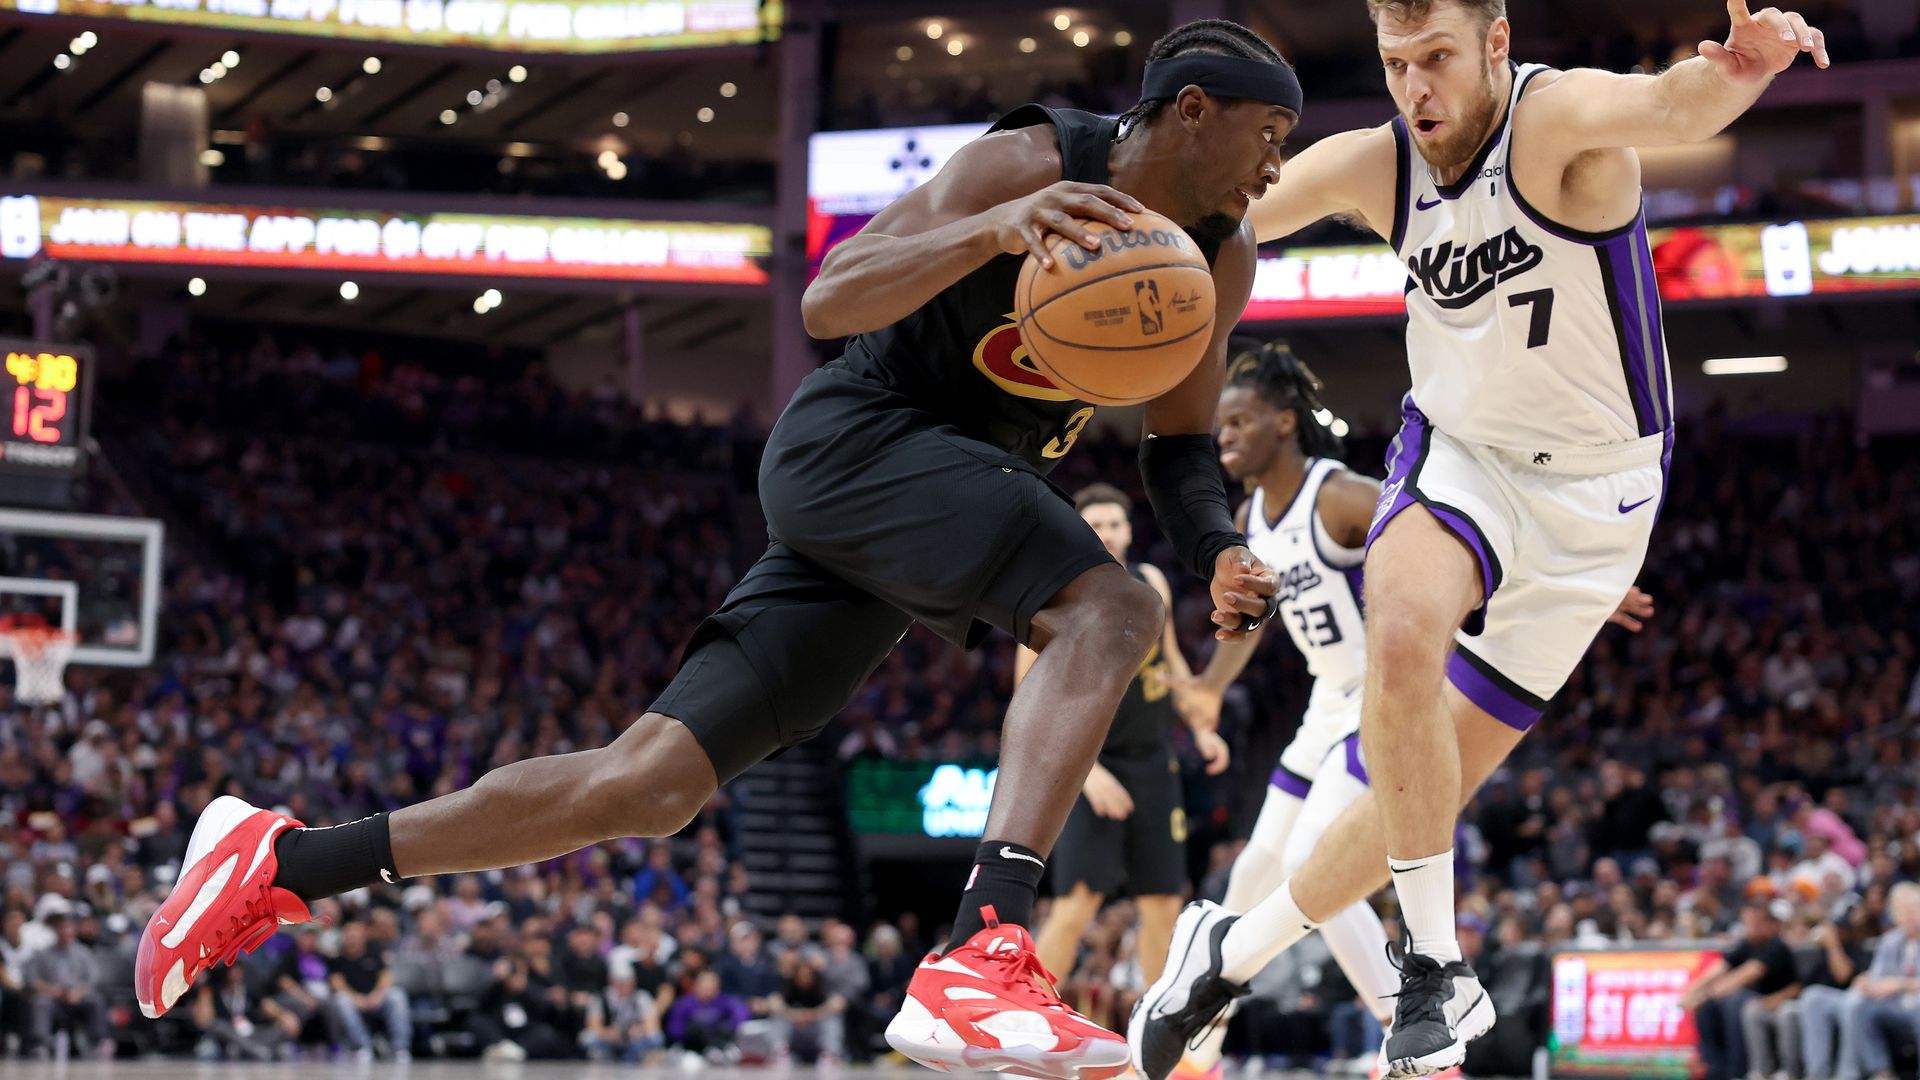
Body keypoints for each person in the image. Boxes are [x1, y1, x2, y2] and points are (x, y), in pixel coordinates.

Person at [137, 17, 1301, 1079]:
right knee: (1111, 609)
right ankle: (983, 948)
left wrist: (1212, 545)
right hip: (861, 441)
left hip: (933, 498)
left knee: (646, 786)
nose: (1276, 165)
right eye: (1269, 133)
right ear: (1193, 109)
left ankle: (283, 862)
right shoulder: (1032, 162)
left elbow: (1178, 443)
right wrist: (990, 232)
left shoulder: (1222, 254)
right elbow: (830, 298)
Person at [1130, 2, 1828, 1076]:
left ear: (1497, 42)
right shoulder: (1380, 162)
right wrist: (1104, 221)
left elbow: (1670, 105)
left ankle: (1228, 952)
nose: (1416, 88)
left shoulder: (1554, 121)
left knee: (1419, 798)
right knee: (1402, 630)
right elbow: (1230, 209)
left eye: (1438, 59)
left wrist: (1743, 69)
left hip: (1597, 506)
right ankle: (1433, 969)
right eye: (1395, 63)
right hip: (1461, 455)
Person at [1168, 340, 1650, 1078]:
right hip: (1323, 703)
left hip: (1376, 697)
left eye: (1240, 422)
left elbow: (1444, 534)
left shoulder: (1337, 495)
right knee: (1251, 874)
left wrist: (1561, 581)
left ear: (1285, 422)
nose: (1224, 436)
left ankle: (1415, 1032)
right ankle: (1197, 1057)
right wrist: (1208, 684)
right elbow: (1256, 620)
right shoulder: (1251, 517)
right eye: (1221, 425)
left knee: (1307, 863)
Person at [1031, 483, 1231, 990]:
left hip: (1153, 760)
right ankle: (1028, 1020)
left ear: (1129, 530)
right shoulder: (1050, 595)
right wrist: (1089, 775)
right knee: (1077, 903)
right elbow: (1027, 700)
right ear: (1079, 530)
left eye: (1115, 524)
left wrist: (1200, 725)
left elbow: (1170, 662)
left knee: (1163, 901)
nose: (1107, 533)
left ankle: (1154, 1027)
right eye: (1095, 524)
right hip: (1089, 765)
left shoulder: (1151, 581)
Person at [1679, 899, 1800, 1080]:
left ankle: (1737, 1071)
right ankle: (1714, 1068)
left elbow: (1747, 974)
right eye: (1747, 923)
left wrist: (1705, 995)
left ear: (1769, 924)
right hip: (1754, 1001)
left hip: (1774, 1001)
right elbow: (1719, 968)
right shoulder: (1746, 944)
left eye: (1756, 923)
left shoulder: (1776, 946)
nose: (1751, 927)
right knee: (1708, 1008)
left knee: (1734, 1001)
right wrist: (1691, 992)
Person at [1842, 882, 1920, 1080]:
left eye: (1913, 909)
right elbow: (1877, 978)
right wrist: (1866, 983)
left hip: (1916, 1004)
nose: (1908, 916)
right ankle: (1881, 1072)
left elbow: (1896, 983)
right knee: (1859, 1005)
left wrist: (1902, 984)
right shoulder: (1890, 940)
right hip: (1894, 1006)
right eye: (1901, 910)